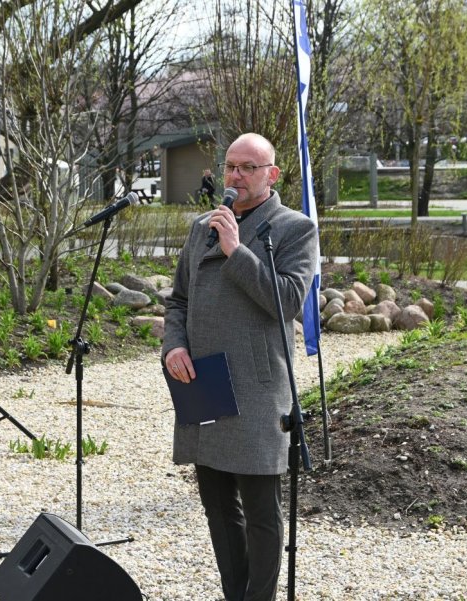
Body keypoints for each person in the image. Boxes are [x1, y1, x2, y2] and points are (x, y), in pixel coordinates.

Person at [162, 133, 318, 601]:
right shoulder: (200, 227)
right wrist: (174, 347)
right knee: (217, 506)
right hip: (203, 381)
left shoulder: (294, 228)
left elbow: (287, 301)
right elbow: (179, 300)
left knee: (261, 513)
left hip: (255, 387)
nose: (236, 176)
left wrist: (236, 250)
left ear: (272, 174)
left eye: (249, 167)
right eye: (231, 166)